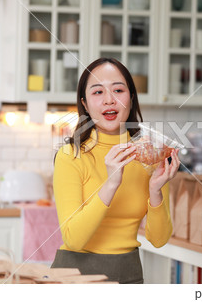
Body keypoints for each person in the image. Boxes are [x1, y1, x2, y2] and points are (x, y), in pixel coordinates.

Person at [51, 57, 180, 284]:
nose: (109, 100)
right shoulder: (71, 156)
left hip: (128, 275)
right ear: (85, 103)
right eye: (98, 92)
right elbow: (73, 240)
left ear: (130, 97)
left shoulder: (150, 157)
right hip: (73, 279)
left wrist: (155, 190)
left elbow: (159, 240)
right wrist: (111, 183)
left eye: (118, 90)